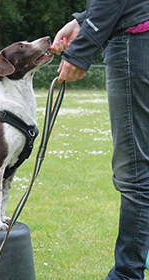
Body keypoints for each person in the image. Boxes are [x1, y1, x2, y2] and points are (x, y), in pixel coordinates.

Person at [49, 1, 149, 279]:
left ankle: (126, 275)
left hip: (135, 41)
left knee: (135, 173)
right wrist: (81, 21)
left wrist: (81, 51)